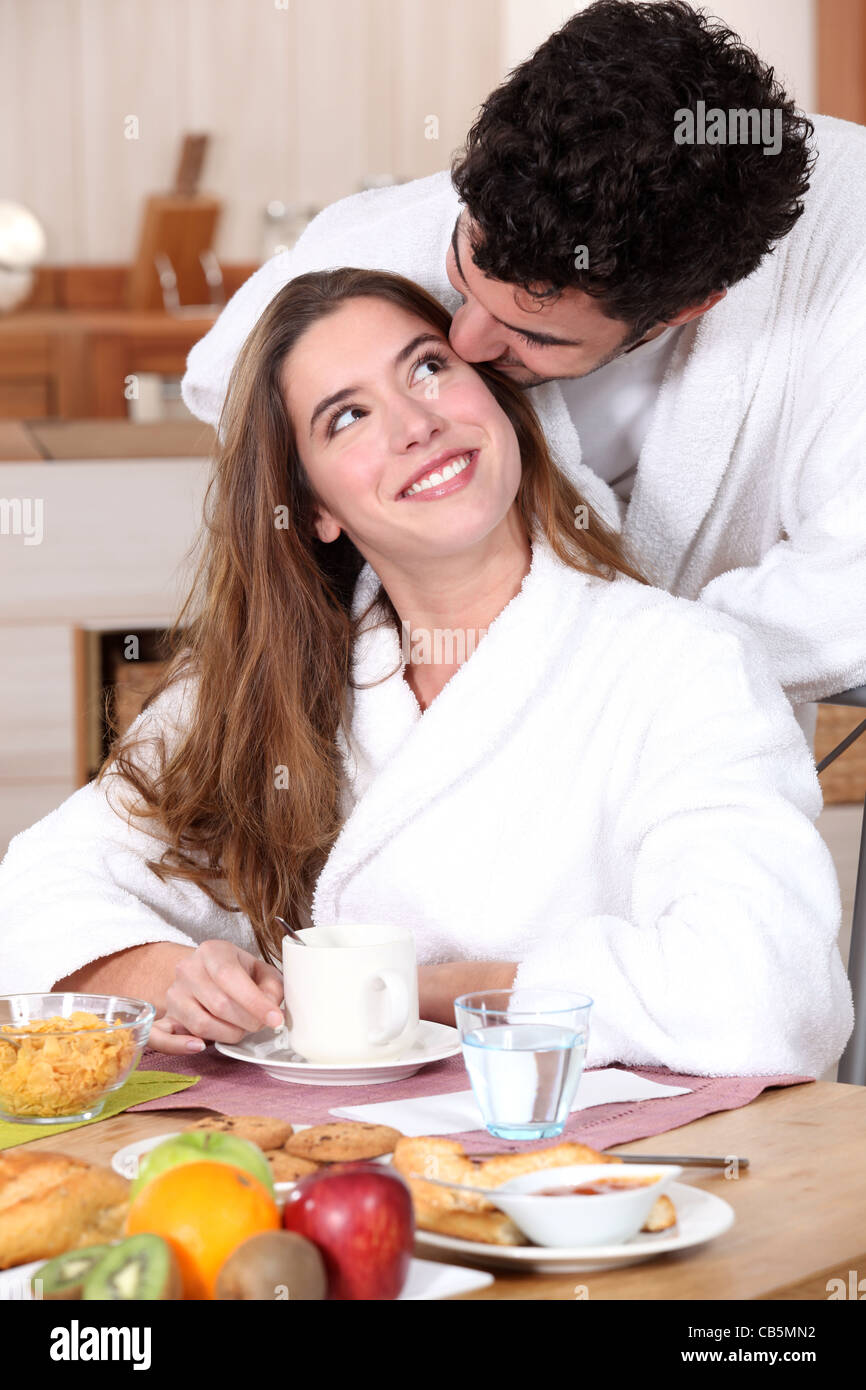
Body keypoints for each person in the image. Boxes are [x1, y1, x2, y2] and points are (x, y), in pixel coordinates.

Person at [0, 270, 853, 1078]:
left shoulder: (681, 667)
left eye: (429, 368)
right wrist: (166, 975)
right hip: (323, 1167)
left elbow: (770, 994)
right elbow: (36, 889)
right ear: (318, 508)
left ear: (500, 401)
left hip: (589, 1184)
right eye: (346, 418)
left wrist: (420, 995)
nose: (414, 424)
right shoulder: (264, 685)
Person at [180, 0, 866, 746]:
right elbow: (237, 382)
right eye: (461, 272)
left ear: (686, 308)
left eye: (532, 335)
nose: (467, 340)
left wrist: (590, 675)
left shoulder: (842, 268)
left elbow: (844, 591)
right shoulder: (453, 215)